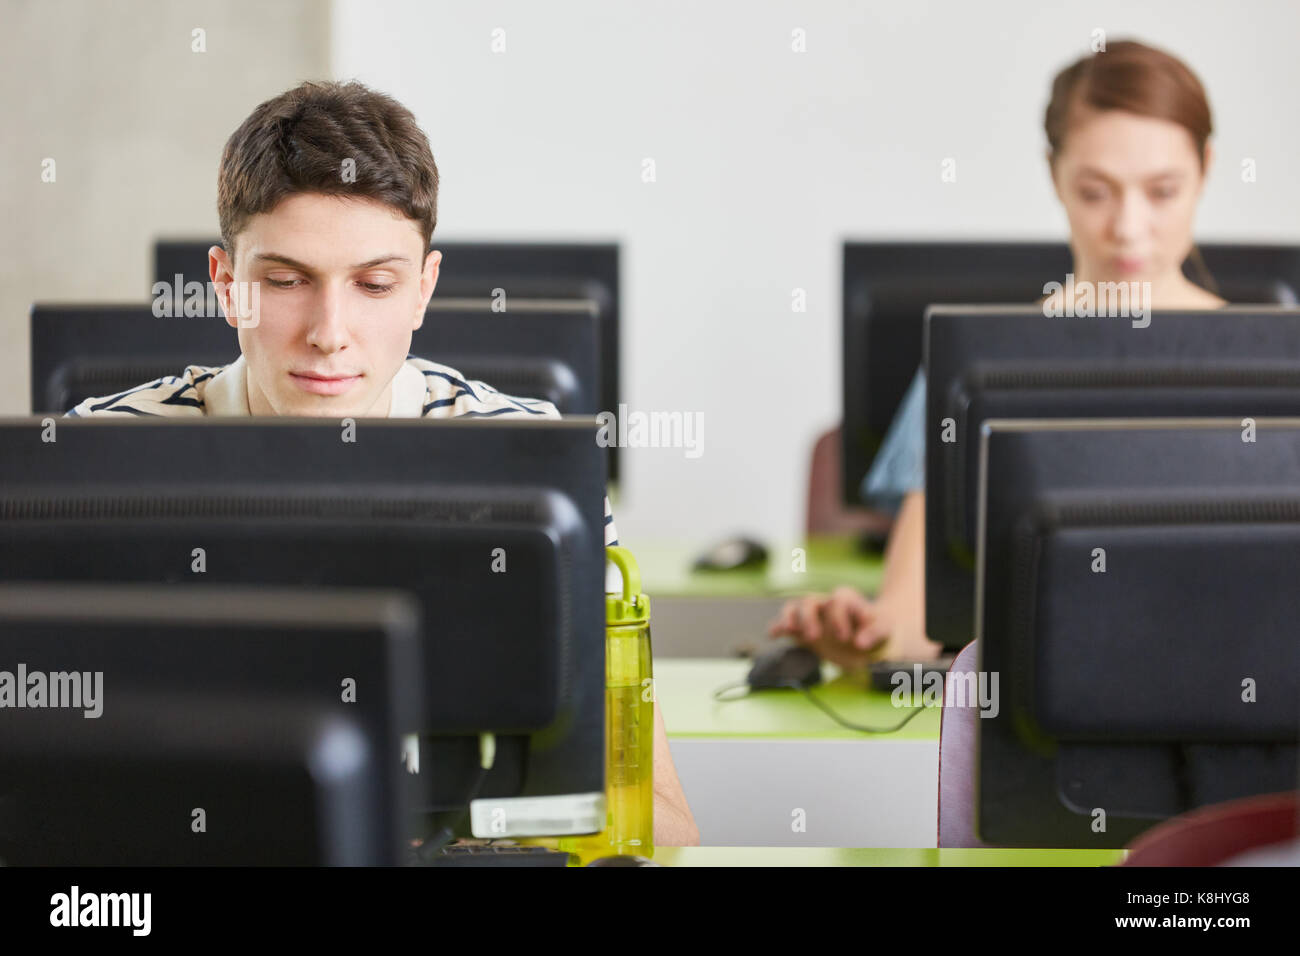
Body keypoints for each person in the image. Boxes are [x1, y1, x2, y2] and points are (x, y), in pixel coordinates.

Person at [67, 80, 699, 847]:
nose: (330, 332)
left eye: (374, 285)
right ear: (227, 286)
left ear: (423, 290)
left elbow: (661, 825)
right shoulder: (95, 457)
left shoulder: (531, 468)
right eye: (286, 281)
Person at [771, 39, 1226, 672]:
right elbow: (911, 631)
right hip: (1038, 729)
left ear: (1205, 168)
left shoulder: (1282, 369)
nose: (1127, 227)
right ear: (1054, 175)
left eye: (1162, 191)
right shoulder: (974, 371)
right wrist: (866, 639)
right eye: (1096, 192)